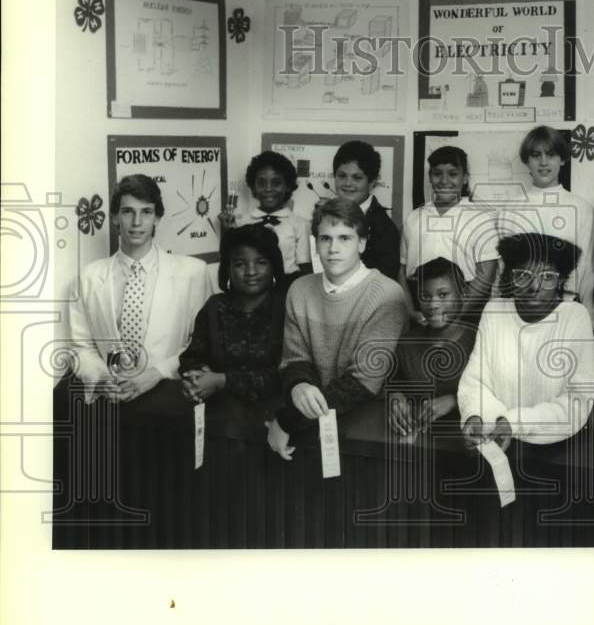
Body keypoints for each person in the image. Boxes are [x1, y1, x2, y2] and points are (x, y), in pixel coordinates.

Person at [266, 198, 407, 459]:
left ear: (362, 243)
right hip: (310, 426)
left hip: (365, 427)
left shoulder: (387, 294)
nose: (333, 249)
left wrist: (287, 421)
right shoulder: (300, 290)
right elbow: (295, 359)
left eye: (345, 238)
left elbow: (362, 382)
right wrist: (298, 385)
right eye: (325, 238)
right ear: (315, 244)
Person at [65, 173, 213, 404]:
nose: (137, 222)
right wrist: (102, 378)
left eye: (146, 212)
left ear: (158, 217)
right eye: (127, 212)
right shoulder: (88, 277)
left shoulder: (193, 273)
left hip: (169, 398)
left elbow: (200, 344)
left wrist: (156, 374)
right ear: (114, 217)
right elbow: (79, 347)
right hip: (113, 400)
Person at [458, 232, 594, 451]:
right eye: (523, 275)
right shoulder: (495, 311)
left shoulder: (574, 316)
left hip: (555, 450)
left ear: (560, 280)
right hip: (492, 442)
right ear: (510, 276)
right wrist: (476, 416)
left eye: (547, 277)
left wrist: (513, 423)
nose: (534, 286)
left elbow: (577, 402)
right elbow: (476, 382)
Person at [496, 126, 594, 327]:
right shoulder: (509, 210)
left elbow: (588, 271)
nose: (543, 162)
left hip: (566, 312)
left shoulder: (581, 209)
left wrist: (590, 324)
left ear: (562, 159)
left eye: (551, 154)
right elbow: (503, 271)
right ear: (527, 160)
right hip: (519, 314)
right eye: (536, 155)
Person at [178, 224, 287, 414]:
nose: (251, 271)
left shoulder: (288, 307)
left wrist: (221, 381)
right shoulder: (214, 306)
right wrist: (198, 378)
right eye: (240, 264)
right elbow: (191, 358)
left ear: (274, 266)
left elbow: (284, 375)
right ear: (227, 268)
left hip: (275, 419)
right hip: (219, 415)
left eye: (261, 262)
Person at [398, 145, 499, 326]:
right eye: (437, 174)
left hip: (466, 313)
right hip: (422, 311)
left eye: (453, 174)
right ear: (430, 176)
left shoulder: (481, 219)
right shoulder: (414, 218)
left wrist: (458, 314)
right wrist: (411, 310)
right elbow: (402, 272)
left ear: (465, 178)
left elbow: (486, 275)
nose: (444, 180)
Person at [388, 258, 477, 439]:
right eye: (425, 296)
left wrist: (455, 401)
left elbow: (496, 393)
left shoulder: (478, 341)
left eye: (443, 295)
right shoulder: (407, 343)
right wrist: (395, 397)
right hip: (419, 443)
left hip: (465, 442)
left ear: (463, 294)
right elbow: (395, 382)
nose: (433, 304)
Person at [230, 150, 312, 282]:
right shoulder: (242, 223)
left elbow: (305, 269)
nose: (268, 189)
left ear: (287, 186)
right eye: (261, 183)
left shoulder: (300, 224)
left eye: (276, 183)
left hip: (287, 288)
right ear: (253, 187)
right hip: (252, 287)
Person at [332, 140, 400, 280]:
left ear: (372, 182)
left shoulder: (385, 228)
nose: (347, 183)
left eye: (357, 177)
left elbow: (384, 284)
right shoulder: (326, 217)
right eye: (342, 176)